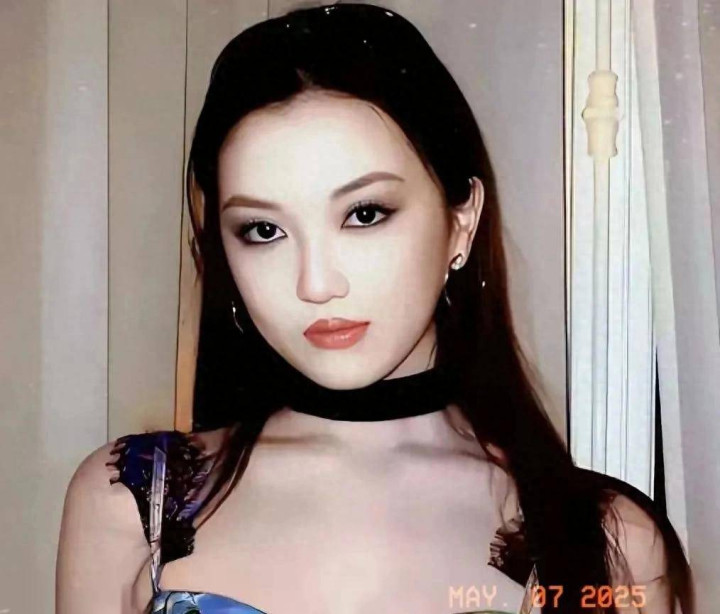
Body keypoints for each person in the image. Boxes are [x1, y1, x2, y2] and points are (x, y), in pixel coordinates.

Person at [56, 4, 694, 614]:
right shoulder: (132, 502)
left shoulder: (612, 544)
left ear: (461, 221)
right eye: (263, 230)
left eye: (364, 214)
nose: (315, 283)